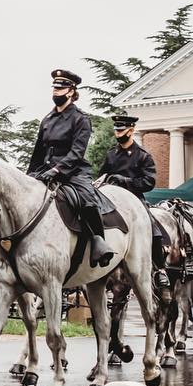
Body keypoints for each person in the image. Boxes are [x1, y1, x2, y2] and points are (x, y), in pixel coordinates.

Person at [28, 68, 115, 267]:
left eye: (61, 88)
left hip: (73, 171)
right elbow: (37, 152)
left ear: (71, 91)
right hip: (45, 169)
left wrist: (58, 170)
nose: (56, 92)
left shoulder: (80, 119)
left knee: (87, 200)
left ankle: (99, 243)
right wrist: (30, 175)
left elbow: (77, 152)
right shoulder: (47, 120)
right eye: (54, 88)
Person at [99, 114, 168, 288]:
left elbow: (148, 182)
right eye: (116, 130)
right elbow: (101, 175)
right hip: (110, 198)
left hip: (134, 199)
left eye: (121, 130)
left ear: (131, 131)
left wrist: (124, 181)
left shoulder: (143, 156)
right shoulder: (111, 155)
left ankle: (160, 269)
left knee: (154, 229)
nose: (118, 133)